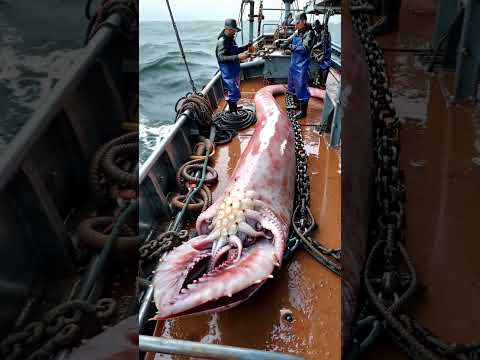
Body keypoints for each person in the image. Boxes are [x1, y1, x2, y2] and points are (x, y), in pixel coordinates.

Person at [277, 12, 315, 120]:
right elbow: (290, 38)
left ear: (303, 22)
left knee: (301, 87)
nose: (295, 26)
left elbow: (304, 49)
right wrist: (282, 42)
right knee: (292, 85)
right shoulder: (298, 31)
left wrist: (289, 46)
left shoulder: (309, 34)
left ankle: (303, 111)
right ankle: (297, 104)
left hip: (302, 66)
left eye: (297, 23)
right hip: (294, 64)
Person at [215, 19, 251, 113]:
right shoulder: (222, 42)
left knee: (235, 89)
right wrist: (239, 56)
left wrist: (245, 47)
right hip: (228, 72)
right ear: (228, 29)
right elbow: (221, 58)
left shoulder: (230, 39)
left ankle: (234, 107)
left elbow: (234, 50)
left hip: (234, 70)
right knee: (233, 91)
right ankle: (232, 112)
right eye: (234, 30)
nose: (235, 32)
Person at [312, 19, 332, 89]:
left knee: (325, 66)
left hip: (326, 51)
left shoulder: (324, 32)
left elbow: (322, 42)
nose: (315, 30)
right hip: (323, 50)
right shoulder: (320, 32)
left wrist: (314, 47)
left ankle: (323, 84)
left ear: (318, 26)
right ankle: (319, 81)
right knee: (321, 65)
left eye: (315, 28)